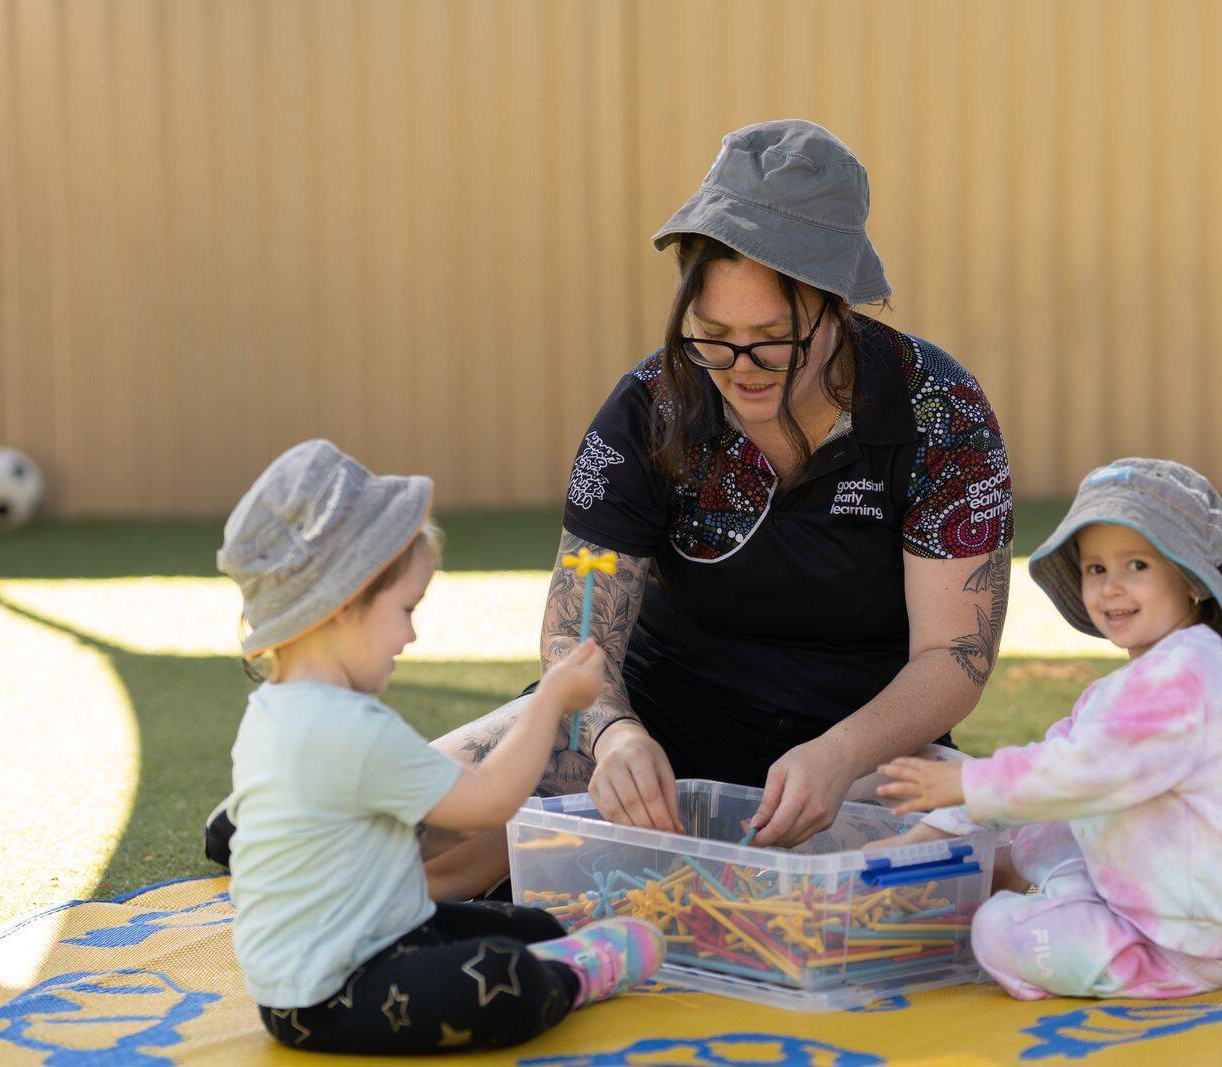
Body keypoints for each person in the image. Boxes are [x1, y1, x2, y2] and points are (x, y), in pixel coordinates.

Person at [420, 118, 1016, 894]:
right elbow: (579, 623)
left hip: (862, 749)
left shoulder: (940, 411)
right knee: (386, 823)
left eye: (772, 338)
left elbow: (955, 656)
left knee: (995, 859)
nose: (740, 368)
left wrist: (838, 754)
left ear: (839, 306)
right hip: (662, 721)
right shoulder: (650, 407)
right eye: (712, 334)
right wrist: (613, 735)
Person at [217, 440, 663, 1054]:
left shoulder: (279, 710)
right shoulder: (346, 728)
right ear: (345, 609)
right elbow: (485, 804)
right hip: (326, 992)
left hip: (375, 934)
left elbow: (421, 830)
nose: (411, 633)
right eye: (404, 609)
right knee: (503, 982)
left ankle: (553, 955)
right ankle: (568, 978)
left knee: (530, 926)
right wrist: (552, 700)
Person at [874, 458, 1222, 1000]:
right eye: (1096, 570)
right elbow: (1057, 757)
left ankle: (1105, 953)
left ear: (1191, 582)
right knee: (1034, 818)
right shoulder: (1145, 677)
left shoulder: (1184, 679)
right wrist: (943, 825)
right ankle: (1050, 898)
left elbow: (1080, 771)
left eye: (1136, 565)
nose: (1111, 588)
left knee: (995, 929)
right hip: (1155, 887)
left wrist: (967, 787)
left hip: (1180, 938)